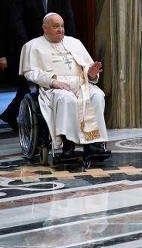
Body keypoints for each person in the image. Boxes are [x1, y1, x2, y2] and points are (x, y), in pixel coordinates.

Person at [2, 0, 77, 130]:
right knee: (31, 82)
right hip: (29, 43)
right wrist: (28, 45)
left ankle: (12, 116)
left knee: (38, 85)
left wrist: (71, 43)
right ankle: (19, 117)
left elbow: (68, 15)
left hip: (55, 44)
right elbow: (16, 19)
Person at [19, 13, 108, 156]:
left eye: (62, 26)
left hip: (80, 84)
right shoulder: (32, 46)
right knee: (67, 99)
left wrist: (91, 73)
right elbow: (31, 73)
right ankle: (68, 144)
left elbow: (86, 67)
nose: (60, 30)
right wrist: (53, 82)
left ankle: (93, 143)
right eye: (56, 26)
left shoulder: (74, 42)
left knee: (97, 95)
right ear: (45, 28)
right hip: (53, 87)